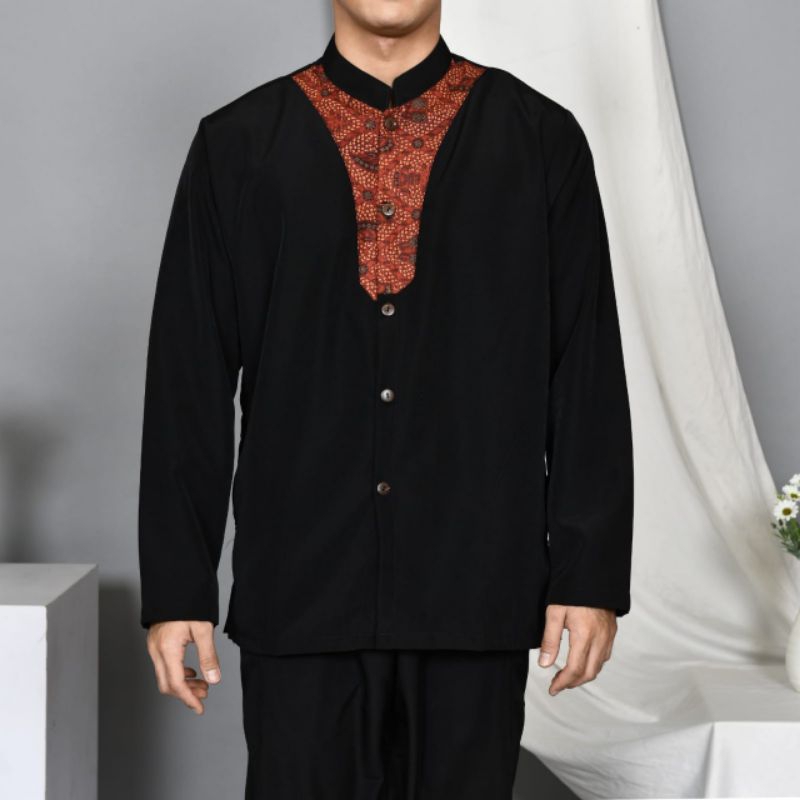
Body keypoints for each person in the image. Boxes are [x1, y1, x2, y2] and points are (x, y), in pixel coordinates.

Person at [137, 0, 634, 796]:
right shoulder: (237, 144)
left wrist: (588, 575)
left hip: (475, 585)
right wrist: (176, 590)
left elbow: (586, 367)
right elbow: (186, 380)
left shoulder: (540, 139)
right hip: (301, 585)